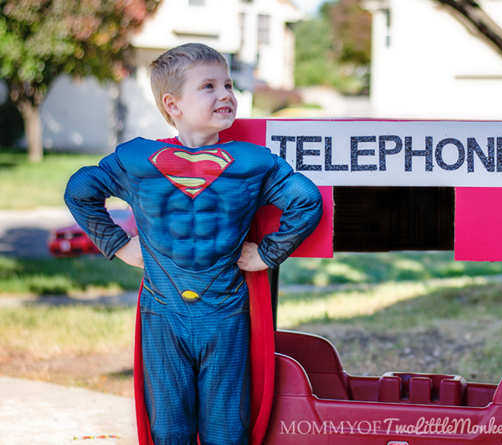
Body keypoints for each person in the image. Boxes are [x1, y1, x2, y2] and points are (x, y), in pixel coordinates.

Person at [64, 43, 323, 445]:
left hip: (225, 311)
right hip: (162, 310)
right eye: (208, 86)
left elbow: (306, 201)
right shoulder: (138, 160)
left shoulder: (251, 163)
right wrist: (116, 244)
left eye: (228, 84)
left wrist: (268, 254)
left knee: (227, 428)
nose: (226, 94)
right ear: (174, 104)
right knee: (168, 427)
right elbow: (81, 190)